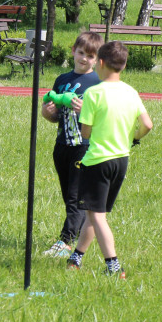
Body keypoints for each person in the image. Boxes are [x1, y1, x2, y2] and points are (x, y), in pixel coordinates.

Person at [67, 41, 153, 279]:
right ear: (123, 65)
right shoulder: (131, 92)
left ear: (101, 63)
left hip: (97, 162)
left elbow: (86, 133)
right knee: (95, 212)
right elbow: (147, 124)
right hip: (121, 161)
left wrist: (81, 113)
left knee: (97, 216)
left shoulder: (93, 93)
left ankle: (114, 266)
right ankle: (76, 258)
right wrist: (134, 138)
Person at [39, 31, 102, 259]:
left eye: (90, 56)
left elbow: (103, 118)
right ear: (73, 50)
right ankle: (81, 231)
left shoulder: (97, 83)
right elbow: (54, 116)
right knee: (69, 197)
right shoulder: (62, 80)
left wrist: (84, 110)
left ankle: (65, 243)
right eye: (81, 53)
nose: (84, 59)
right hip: (62, 145)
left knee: (76, 197)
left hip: (83, 146)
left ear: (97, 60)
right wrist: (47, 112)